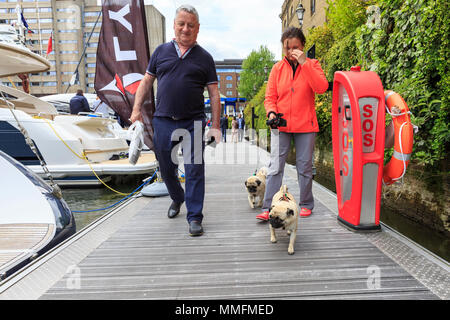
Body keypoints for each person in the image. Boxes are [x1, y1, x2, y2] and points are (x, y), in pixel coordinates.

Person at [130, 5, 221, 237]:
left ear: (197, 29)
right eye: (182, 23)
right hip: (163, 120)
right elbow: (146, 82)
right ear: (174, 25)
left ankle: (194, 217)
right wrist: (136, 109)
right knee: (166, 167)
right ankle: (177, 197)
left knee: (194, 170)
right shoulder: (160, 52)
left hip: (194, 122)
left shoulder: (205, 58)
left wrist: (217, 126)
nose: (186, 29)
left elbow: (214, 94)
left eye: (191, 25)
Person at [256, 27, 328, 221]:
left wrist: (305, 63)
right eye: (287, 48)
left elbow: (322, 87)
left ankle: (306, 203)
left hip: (306, 125)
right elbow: (270, 97)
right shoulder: (277, 69)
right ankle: (268, 206)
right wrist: (271, 112)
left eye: (295, 47)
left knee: (304, 166)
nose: (291, 52)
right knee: (275, 166)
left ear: (302, 46)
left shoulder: (312, 64)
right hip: (281, 125)